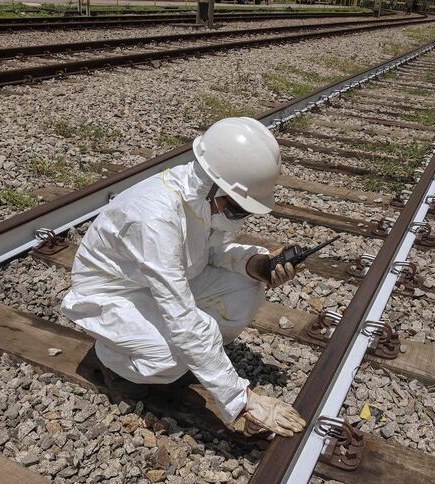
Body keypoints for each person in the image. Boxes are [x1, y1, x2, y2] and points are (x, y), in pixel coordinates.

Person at [62, 117, 306, 438]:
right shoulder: (156, 220)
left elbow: (211, 253)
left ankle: (196, 358)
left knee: (245, 287)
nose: (238, 218)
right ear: (211, 185)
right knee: (168, 355)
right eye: (236, 209)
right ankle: (113, 362)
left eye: (243, 211)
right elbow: (180, 315)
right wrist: (240, 399)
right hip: (113, 296)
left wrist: (256, 264)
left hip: (158, 284)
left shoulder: (200, 200)